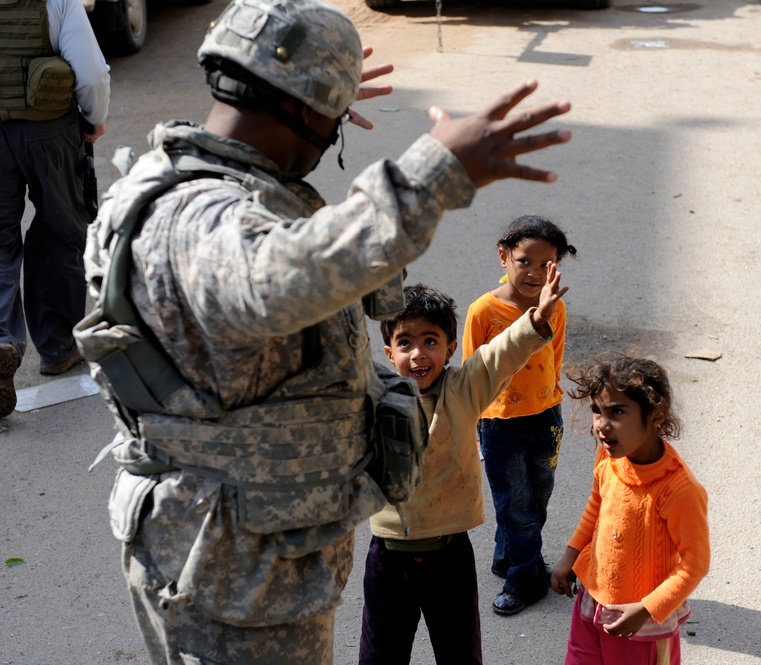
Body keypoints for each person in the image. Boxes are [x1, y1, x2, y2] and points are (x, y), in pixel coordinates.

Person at [71, 0, 572, 661]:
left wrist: (313, 95)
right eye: (330, 119)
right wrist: (431, 176)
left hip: (255, 560)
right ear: (306, 112)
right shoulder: (193, 217)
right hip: (232, 583)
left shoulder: (209, 187)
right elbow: (272, 280)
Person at [360, 265, 566, 665]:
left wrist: (537, 319)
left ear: (450, 349)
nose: (418, 354)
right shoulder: (374, 397)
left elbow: (501, 354)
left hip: (449, 555)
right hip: (387, 557)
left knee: (459, 655)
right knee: (379, 655)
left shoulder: (463, 388)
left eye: (430, 341)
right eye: (405, 343)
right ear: (389, 354)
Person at [550, 355, 710, 665]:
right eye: (597, 411)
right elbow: (595, 508)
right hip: (591, 602)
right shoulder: (609, 457)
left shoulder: (680, 490)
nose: (601, 425)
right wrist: (570, 557)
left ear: (656, 415)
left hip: (641, 625)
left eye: (616, 412)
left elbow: (695, 563)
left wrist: (648, 608)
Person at [461, 214, 576, 615]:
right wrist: (472, 424)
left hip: (546, 418)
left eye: (545, 264)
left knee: (537, 496)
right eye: (524, 260)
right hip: (499, 425)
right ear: (503, 257)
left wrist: (553, 402)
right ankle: (526, 579)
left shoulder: (554, 308)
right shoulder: (483, 311)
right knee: (515, 503)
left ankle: (506, 556)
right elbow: (472, 371)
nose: (533, 272)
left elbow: (554, 359)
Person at [0, 0, 110, 416]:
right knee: (60, 231)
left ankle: (1, 343)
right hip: (49, 134)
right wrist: (94, 118)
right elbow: (92, 72)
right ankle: (58, 348)